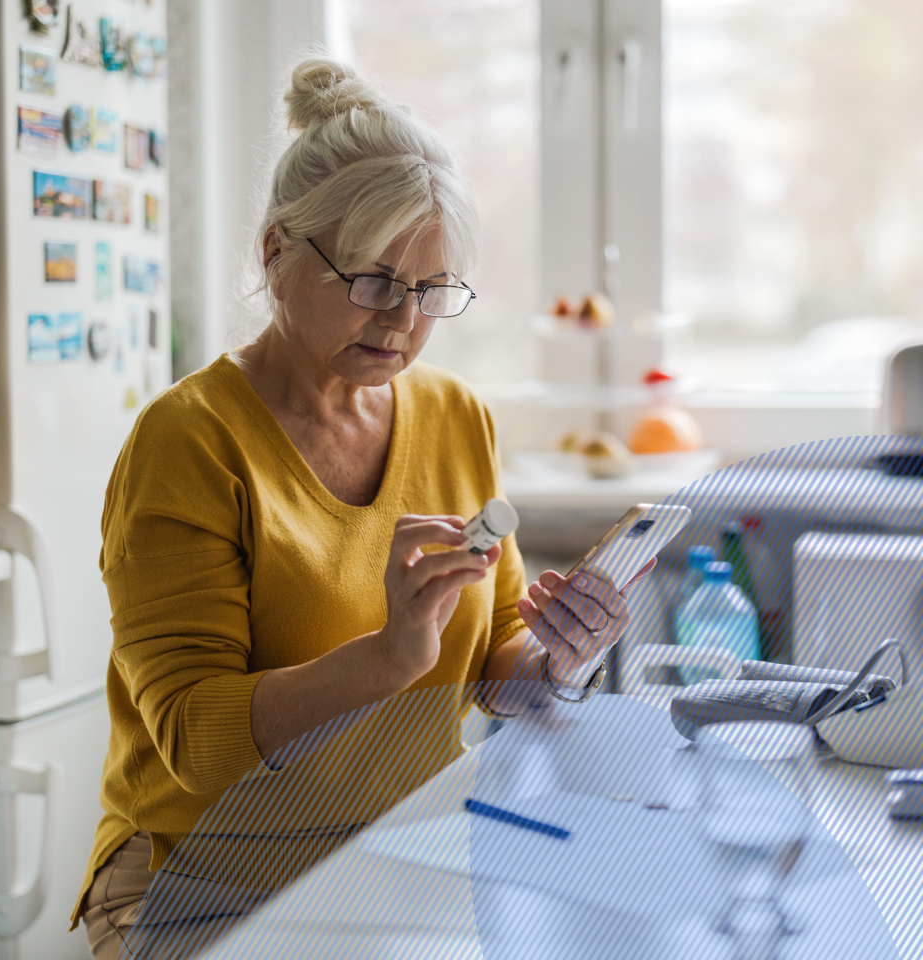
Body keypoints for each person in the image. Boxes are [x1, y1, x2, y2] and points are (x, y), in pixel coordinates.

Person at [73, 57, 651, 959]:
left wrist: (557, 658)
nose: (401, 321)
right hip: (200, 876)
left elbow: (497, 665)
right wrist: (388, 657)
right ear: (275, 250)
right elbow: (194, 739)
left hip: (398, 852)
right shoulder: (188, 441)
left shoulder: (458, 417)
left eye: (430, 292)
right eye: (374, 280)